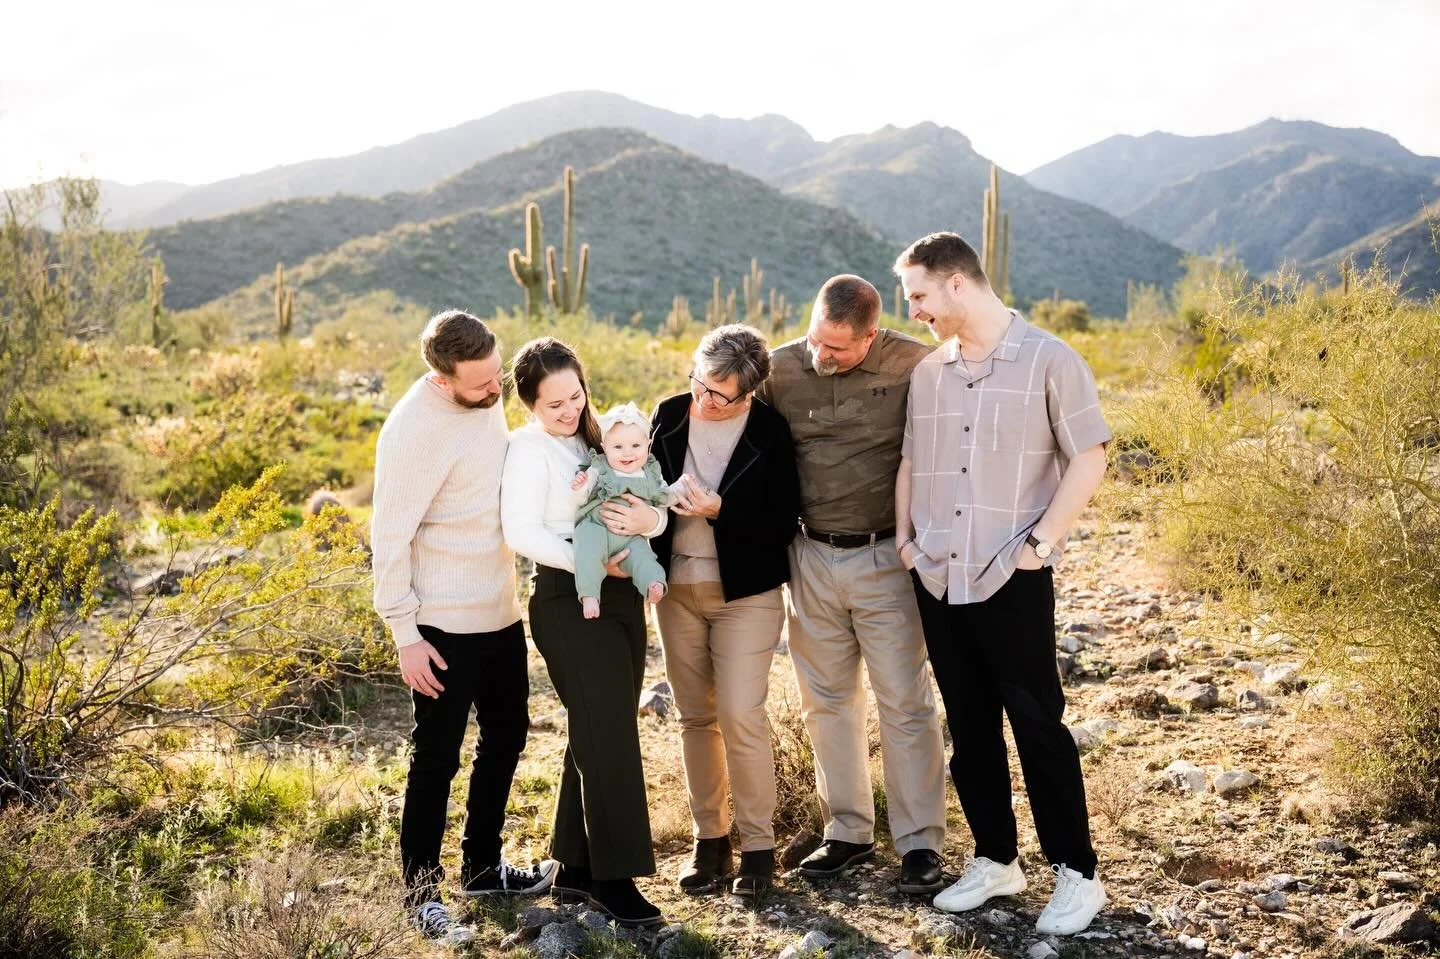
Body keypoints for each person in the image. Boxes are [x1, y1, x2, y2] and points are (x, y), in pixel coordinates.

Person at [894, 232, 1112, 935]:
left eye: (920, 295)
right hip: (937, 573)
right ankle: (995, 857)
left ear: (958, 283)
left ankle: (1077, 873)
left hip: (1011, 572)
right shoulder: (929, 373)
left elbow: (1090, 457)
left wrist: (1040, 546)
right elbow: (909, 462)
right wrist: (907, 541)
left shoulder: (1052, 359)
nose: (916, 310)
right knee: (968, 724)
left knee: (1037, 722)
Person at [757, 275, 949, 895]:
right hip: (810, 554)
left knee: (904, 701)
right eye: (816, 339)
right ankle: (847, 831)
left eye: (838, 347)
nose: (822, 356)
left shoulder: (916, 364)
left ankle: (920, 842)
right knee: (827, 700)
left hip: (886, 557)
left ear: (871, 336)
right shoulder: (780, 370)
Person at [370, 310, 557, 946]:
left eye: (496, 374)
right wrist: (404, 633)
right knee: (437, 758)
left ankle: (481, 868)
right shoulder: (412, 431)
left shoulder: (486, 397)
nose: (493, 388)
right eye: (479, 383)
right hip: (439, 627)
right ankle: (421, 894)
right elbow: (389, 535)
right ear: (442, 378)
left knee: (507, 737)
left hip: (498, 612)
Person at [500, 337, 669, 928]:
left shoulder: (599, 437)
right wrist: (592, 564)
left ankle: (573, 866)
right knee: (610, 735)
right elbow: (520, 531)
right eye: (555, 405)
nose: (570, 410)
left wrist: (653, 519)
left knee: (599, 728)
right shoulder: (527, 451)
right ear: (528, 405)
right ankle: (613, 882)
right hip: (571, 599)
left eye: (576, 395)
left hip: (623, 595)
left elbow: (650, 489)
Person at [649, 325, 800, 897]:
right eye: (699, 382)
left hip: (746, 596)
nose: (704, 400)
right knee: (695, 718)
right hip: (677, 592)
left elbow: (784, 522)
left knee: (741, 713)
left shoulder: (770, 431)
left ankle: (758, 847)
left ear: (748, 394)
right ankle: (708, 841)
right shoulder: (668, 414)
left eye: (719, 394)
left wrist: (720, 509)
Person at [570, 402, 689, 617]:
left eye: (636, 446)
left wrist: (679, 488)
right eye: (618, 447)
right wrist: (580, 486)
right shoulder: (600, 467)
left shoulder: (651, 472)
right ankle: (589, 595)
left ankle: (654, 585)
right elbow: (583, 495)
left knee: (644, 558)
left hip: (630, 538)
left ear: (648, 444)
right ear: (604, 447)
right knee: (586, 550)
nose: (627, 453)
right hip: (596, 527)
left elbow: (665, 496)